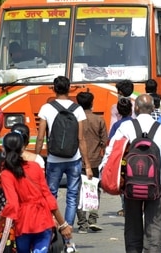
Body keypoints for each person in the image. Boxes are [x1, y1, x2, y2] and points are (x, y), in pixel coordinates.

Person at [101, 94, 161, 253]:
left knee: (132, 226)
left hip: (130, 185)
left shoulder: (126, 127)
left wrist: (104, 173)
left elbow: (111, 152)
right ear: (154, 109)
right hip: (157, 186)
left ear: (135, 108)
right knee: (154, 227)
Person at [0, 132, 73, 253]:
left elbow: (12, 205)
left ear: (4, 149)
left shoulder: (6, 173)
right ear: (23, 148)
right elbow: (48, 197)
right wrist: (63, 224)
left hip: (23, 222)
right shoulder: (35, 167)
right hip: (43, 219)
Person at [34, 76, 92, 251]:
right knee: (72, 196)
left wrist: (36, 158)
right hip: (74, 159)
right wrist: (87, 164)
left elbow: (40, 137)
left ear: (54, 89)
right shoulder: (78, 109)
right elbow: (81, 139)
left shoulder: (46, 108)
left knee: (50, 195)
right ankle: (68, 238)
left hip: (53, 159)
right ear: (69, 89)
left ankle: (52, 231)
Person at [0, 123, 45, 251]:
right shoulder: (37, 160)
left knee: (4, 247)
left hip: (4, 215)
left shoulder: (1, 160)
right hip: (30, 215)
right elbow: (43, 191)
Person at [75, 92, 108, 234]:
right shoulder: (99, 120)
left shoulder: (75, 120)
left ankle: (82, 224)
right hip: (95, 161)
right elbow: (104, 141)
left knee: (78, 191)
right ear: (92, 103)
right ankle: (93, 218)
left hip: (78, 160)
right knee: (93, 189)